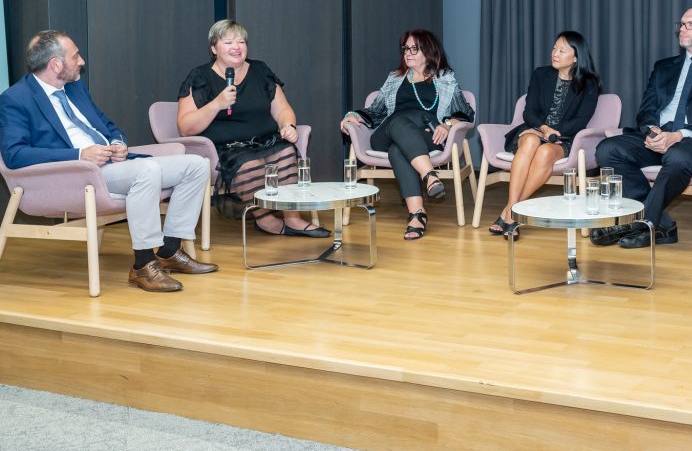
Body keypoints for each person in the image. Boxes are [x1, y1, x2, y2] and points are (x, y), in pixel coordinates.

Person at [0, 30, 218, 293]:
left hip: (112, 166)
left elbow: (108, 126)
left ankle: (169, 251)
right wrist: (79, 155)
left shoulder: (75, 89)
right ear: (56, 64)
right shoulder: (15, 99)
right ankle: (143, 265)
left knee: (196, 164)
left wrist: (117, 144)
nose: (81, 62)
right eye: (75, 56)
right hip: (76, 175)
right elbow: (15, 154)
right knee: (146, 170)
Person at [590, 6, 692, 249]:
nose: (682, 29)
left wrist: (679, 134)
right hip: (659, 135)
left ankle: (641, 223)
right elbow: (646, 108)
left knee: (678, 156)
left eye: (690, 24)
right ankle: (658, 223)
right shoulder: (664, 67)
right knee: (607, 149)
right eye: (681, 24)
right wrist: (653, 131)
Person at [176, 20, 328, 238]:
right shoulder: (200, 77)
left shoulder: (260, 70)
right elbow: (185, 127)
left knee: (286, 151)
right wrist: (216, 104)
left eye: (241, 41)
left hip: (264, 141)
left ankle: (292, 219)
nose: (236, 47)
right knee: (250, 163)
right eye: (228, 42)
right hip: (226, 149)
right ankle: (265, 220)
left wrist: (288, 125)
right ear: (214, 49)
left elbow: (282, 109)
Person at [341, 30, 474, 241]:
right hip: (387, 135)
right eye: (405, 49)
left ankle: (417, 214)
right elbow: (376, 111)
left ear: (428, 52)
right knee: (401, 120)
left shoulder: (445, 79)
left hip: (427, 138)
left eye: (414, 49)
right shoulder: (395, 78)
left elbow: (466, 113)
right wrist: (353, 115)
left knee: (399, 150)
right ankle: (429, 174)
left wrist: (448, 125)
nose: (408, 53)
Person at [488, 31, 602, 240]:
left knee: (545, 153)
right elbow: (529, 111)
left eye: (562, 50)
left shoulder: (589, 83)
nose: (554, 53)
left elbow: (581, 120)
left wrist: (553, 133)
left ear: (576, 57)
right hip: (534, 130)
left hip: (564, 138)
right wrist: (543, 129)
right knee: (531, 141)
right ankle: (514, 213)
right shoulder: (541, 74)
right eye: (554, 48)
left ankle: (510, 211)